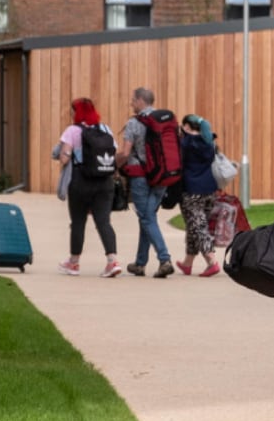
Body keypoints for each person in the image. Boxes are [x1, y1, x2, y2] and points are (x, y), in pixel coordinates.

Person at [56, 98, 122, 277]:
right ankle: (112, 261)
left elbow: (64, 158)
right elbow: (114, 153)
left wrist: (62, 153)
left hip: (80, 181)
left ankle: (74, 262)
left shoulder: (72, 131)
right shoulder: (105, 129)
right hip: (104, 181)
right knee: (104, 222)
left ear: (76, 113)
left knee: (78, 222)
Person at [117, 87, 174, 278]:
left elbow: (126, 153)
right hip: (162, 177)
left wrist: (113, 165)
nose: (131, 103)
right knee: (147, 218)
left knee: (147, 218)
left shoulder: (134, 123)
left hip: (140, 176)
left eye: (133, 100)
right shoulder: (165, 121)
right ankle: (140, 263)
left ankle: (164, 259)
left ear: (141, 100)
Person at [175, 114, 220, 277]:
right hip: (210, 189)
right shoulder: (209, 142)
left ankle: (211, 261)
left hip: (191, 190)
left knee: (198, 227)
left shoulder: (185, 143)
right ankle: (187, 263)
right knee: (194, 225)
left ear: (187, 127)